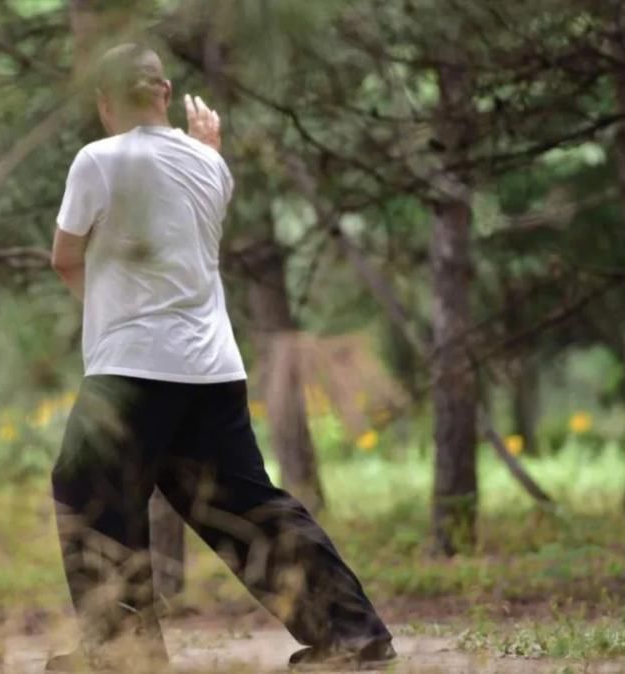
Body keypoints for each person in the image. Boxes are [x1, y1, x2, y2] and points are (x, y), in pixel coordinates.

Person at [46, 42, 395, 672]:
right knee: (244, 504)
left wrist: (106, 309)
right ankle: (353, 635)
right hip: (212, 368)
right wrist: (207, 149)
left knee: (87, 487)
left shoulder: (96, 160)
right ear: (166, 92)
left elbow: (65, 257)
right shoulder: (212, 167)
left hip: (133, 367)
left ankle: (127, 653)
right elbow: (181, 198)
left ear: (104, 101)